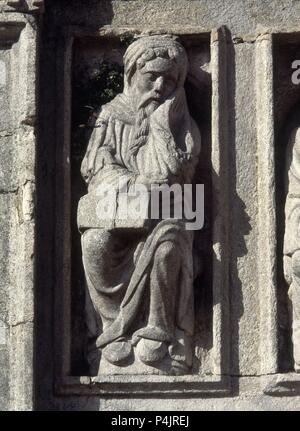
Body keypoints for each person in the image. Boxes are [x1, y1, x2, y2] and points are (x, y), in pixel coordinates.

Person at [78, 35, 201, 374]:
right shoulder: (110, 116)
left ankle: (159, 330)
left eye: (169, 79)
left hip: (167, 215)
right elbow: (97, 168)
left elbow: (181, 179)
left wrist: (163, 125)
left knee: (170, 240)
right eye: (152, 76)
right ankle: (111, 330)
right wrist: (135, 185)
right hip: (118, 213)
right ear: (133, 74)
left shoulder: (183, 127)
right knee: (94, 242)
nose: (160, 85)